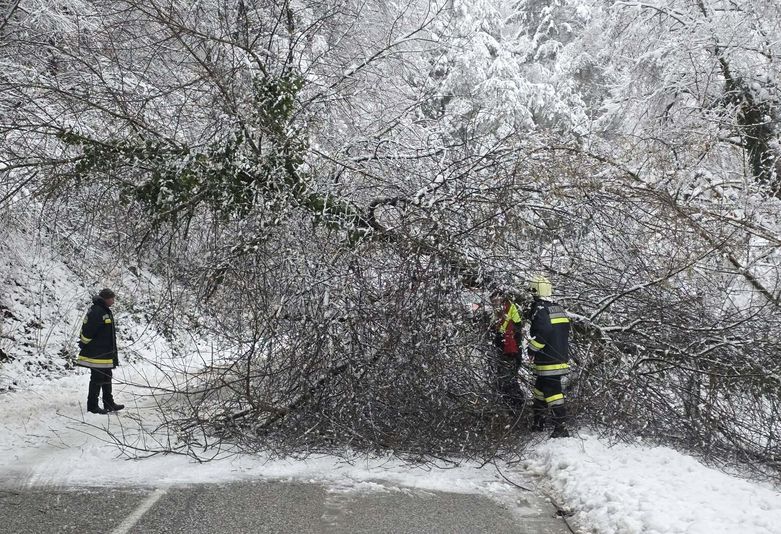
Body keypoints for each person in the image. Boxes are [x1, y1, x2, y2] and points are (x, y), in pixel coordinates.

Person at [526, 275, 571, 438]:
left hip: (548, 359)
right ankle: (538, 422)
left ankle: (561, 427)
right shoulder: (557, 308)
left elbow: (544, 332)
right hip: (559, 357)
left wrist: (532, 349)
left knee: (553, 393)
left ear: (534, 291)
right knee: (539, 390)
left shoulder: (540, 310)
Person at [76, 288, 124, 414]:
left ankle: (109, 403)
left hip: (105, 354)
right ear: (105, 299)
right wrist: (84, 343)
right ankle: (92, 407)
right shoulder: (97, 311)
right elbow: (88, 331)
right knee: (97, 379)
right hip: (97, 354)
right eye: (112, 299)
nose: (113, 301)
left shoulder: (104, 310)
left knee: (107, 377)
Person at [491, 290, 525, 415]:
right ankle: (513, 409)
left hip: (511, 351)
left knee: (508, 381)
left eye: (496, 301)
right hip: (508, 350)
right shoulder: (506, 309)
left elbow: (513, 330)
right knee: (506, 382)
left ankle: (517, 408)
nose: (494, 303)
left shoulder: (507, 309)